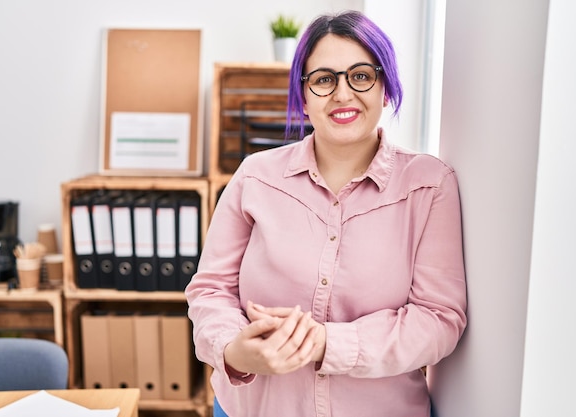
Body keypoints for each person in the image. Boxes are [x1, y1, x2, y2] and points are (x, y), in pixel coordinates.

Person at [185, 10, 467, 417]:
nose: (343, 94)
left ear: (385, 85)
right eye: (323, 79)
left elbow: (438, 318)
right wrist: (234, 350)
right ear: (303, 95)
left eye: (361, 75)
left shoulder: (429, 185)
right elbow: (210, 290)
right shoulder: (255, 177)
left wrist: (324, 343)